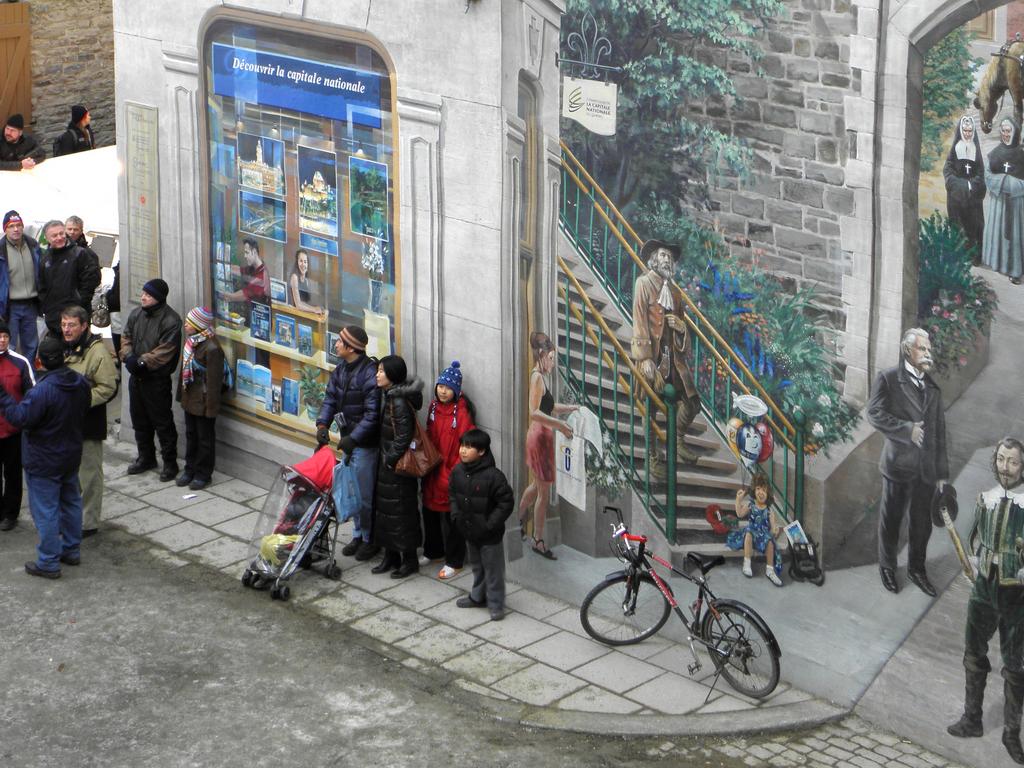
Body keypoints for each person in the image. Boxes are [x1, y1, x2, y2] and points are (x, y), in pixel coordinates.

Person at [947, 437, 1024, 764]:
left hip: (1015, 593)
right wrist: (973, 565)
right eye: (1002, 460)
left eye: (1013, 462)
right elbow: (974, 538)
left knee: (1016, 665)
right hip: (983, 589)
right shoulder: (985, 499)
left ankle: (1011, 734)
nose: (1005, 467)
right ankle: (972, 719)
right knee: (973, 653)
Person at [867, 327, 949, 596]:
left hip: (925, 469)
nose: (927, 353)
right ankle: (888, 567)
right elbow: (874, 413)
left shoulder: (933, 387)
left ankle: (917, 569)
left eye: (928, 349)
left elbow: (938, 431)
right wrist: (906, 430)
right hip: (898, 465)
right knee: (891, 519)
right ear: (907, 350)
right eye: (922, 349)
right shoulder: (889, 379)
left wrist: (941, 473)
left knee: (922, 523)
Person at [0, 335, 90, 578]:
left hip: (44, 459)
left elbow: (20, 418)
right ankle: (71, 549)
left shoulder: (42, 392)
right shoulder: (79, 382)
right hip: (70, 454)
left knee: (46, 510)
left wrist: (3, 397)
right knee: (71, 501)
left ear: (39, 361)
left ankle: (48, 561)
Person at [631, 239, 701, 468]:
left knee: (692, 403)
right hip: (652, 358)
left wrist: (682, 329)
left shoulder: (675, 294)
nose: (667, 260)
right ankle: (652, 457)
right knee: (650, 407)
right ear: (653, 260)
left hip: (673, 361)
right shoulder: (643, 284)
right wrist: (645, 358)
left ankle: (677, 440)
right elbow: (639, 321)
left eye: (670, 257)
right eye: (663, 255)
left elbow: (682, 330)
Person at [317, 325, 381, 561]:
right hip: (349, 440)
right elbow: (330, 397)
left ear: (351, 347)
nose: (335, 345)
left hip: (363, 444)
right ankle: (357, 534)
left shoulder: (368, 374)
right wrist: (322, 425)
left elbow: (372, 415)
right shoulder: (341, 369)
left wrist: (354, 438)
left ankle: (369, 539)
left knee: (364, 494)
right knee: (351, 491)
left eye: (339, 342)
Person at [517, 331, 576, 560]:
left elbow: (548, 407)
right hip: (539, 438)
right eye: (551, 358)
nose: (553, 362)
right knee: (543, 492)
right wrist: (560, 426)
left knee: (536, 485)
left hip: (541, 436)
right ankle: (538, 540)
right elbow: (535, 413)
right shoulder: (537, 377)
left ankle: (519, 520)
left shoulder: (540, 377)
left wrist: (570, 409)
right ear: (542, 355)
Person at [61, 305, 117, 538]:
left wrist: (79, 401)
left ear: (84, 326)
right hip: (67, 422)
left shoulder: (98, 353)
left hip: (88, 422)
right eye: (64, 324)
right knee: (70, 474)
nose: (66, 329)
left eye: (72, 325)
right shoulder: (64, 347)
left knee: (89, 474)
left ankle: (88, 522)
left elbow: (107, 388)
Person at [451, 428, 515, 622]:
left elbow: (506, 502)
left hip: (489, 535)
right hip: (469, 530)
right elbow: (452, 495)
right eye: (462, 446)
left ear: (481, 452)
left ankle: (496, 604)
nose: (463, 450)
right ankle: (477, 596)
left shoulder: (494, 476)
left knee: (493, 569)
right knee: (477, 567)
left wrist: (490, 524)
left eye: (469, 447)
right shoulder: (458, 471)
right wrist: (456, 516)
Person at [121, 278, 182, 482]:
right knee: (139, 419)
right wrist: (128, 356)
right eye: (143, 293)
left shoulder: (171, 321)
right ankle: (145, 457)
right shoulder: (136, 314)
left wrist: (141, 362)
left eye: (148, 294)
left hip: (156, 379)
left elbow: (165, 351)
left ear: (158, 298)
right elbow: (126, 336)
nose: (143, 297)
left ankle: (170, 463)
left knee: (162, 422)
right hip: (137, 378)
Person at [369, 355, 424, 579]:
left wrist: (389, 460)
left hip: (397, 468)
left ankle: (408, 559)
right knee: (387, 513)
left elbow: (403, 437)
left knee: (401, 513)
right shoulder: (388, 395)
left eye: (382, 371)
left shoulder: (398, 401)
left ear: (392, 375)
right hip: (387, 464)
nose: (377, 374)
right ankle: (390, 555)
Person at [421, 360, 476, 579]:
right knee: (429, 511)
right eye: (440, 386)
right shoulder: (433, 407)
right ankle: (433, 552)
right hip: (433, 469)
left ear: (456, 390)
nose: (443, 391)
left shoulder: (461, 413)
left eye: (447, 388)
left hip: (451, 470)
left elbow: (466, 442)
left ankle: (455, 561)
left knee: (452, 519)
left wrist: (455, 470)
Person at [175, 307, 224, 491]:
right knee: (191, 435)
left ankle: (203, 474)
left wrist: (211, 409)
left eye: (189, 322)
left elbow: (214, 382)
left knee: (205, 439)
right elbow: (183, 372)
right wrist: (181, 396)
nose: (185, 325)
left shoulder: (212, 348)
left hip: (203, 402)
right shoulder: (191, 343)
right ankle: (190, 469)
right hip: (191, 399)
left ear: (198, 325)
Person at [37, 219, 100, 336]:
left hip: (76, 316)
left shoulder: (80, 254)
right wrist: (47, 308)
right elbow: (42, 286)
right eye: (54, 235)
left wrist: (79, 303)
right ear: (47, 238)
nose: (59, 237)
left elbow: (91, 281)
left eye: (61, 233)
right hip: (54, 317)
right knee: (50, 350)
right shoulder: (45, 259)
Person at [0, 321, 34, 532]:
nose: (2, 339)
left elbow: (32, 394)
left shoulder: (21, 362)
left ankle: (11, 513)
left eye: (5, 336)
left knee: (12, 474)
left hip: (13, 430)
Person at [983, 116, 1024, 284]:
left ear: (1015, 133)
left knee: (1014, 236)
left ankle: (1015, 270)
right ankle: (997, 264)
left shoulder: (1022, 155)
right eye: (1004, 131)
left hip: (1016, 204)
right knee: (997, 233)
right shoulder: (994, 153)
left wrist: (1012, 184)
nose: (1006, 134)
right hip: (999, 202)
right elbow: (987, 175)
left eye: (1009, 131)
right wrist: (1004, 182)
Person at [943, 115, 986, 263]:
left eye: (970, 130)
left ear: (973, 131)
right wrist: (960, 185)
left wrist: (970, 185)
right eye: (965, 130)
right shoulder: (956, 149)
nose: (967, 133)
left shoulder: (976, 150)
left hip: (973, 196)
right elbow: (948, 171)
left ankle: (975, 256)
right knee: (957, 225)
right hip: (957, 196)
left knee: (974, 225)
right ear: (961, 131)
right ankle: (958, 255)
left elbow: (980, 173)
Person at [0, 210, 41, 364]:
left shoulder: (33, 245)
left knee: (31, 345)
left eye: (18, 225)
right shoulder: (1, 249)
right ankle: (6, 381)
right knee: (7, 344)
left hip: (31, 304)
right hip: (9, 307)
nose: (16, 229)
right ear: (5, 229)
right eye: (11, 226)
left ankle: (28, 378)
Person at [727, 473, 783, 586]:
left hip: (763, 537)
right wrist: (738, 500)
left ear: (768, 493)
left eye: (763, 489)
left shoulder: (769, 511)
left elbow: (772, 529)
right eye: (758, 488)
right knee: (748, 532)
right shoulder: (750, 505)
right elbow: (739, 514)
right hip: (751, 533)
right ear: (754, 490)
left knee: (770, 543)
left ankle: (770, 570)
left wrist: (775, 530)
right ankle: (747, 563)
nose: (760, 492)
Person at [223, 237, 270, 313]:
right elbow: (240, 270)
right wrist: (225, 267)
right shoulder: (254, 268)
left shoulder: (262, 276)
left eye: (247, 252)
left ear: (254, 252)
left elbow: (244, 294)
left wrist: (228, 296)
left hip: (259, 315)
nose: (245, 256)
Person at [288, 249, 325, 317]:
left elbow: (304, 302)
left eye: (305, 261)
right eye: (301, 261)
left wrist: (316, 308)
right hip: (294, 315)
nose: (303, 264)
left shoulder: (306, 280)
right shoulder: (294, 277)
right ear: (297, 262)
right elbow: (298, 305)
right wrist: (314, 309)